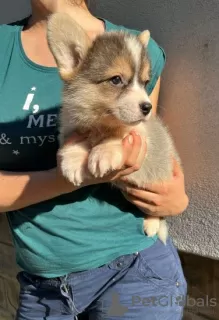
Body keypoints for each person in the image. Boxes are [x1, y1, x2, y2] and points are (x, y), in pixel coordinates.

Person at [0, 0, 189, 319]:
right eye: (118, 80)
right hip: (42, 286)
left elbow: (144, 138)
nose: (139, 94)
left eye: (140, 82)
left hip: (136, 267)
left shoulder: (139, 46)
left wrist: (175, 202)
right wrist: (68, 175)